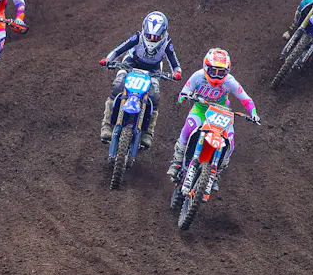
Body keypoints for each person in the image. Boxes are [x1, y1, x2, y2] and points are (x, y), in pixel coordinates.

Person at [168, 49, 260, 186]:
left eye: (221, 72)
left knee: (230, 142)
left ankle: (215, 173)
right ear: (206, 68)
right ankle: (177, 161)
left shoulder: (230, 81)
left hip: (221, 112)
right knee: (188, 129)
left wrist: (253, 113)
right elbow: (185, 90)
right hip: (201, 108)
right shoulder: (198, 76)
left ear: (227, 71)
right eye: (213, 71)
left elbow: (246, 99)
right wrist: (184, 97)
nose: (217, 75)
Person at [99, 11, 182, 149]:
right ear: (144, 30)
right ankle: (106, 125)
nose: (152, 39)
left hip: (153, 69)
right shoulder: (137, 37)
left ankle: (148, 133)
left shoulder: (167, 43)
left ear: (163, 34)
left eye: (156, 37)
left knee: (154, 96)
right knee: (118, 86)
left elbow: (174, 62)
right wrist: (108, 59)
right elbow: (119, 49)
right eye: (149, 36)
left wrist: (177, 73)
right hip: (131, 63)